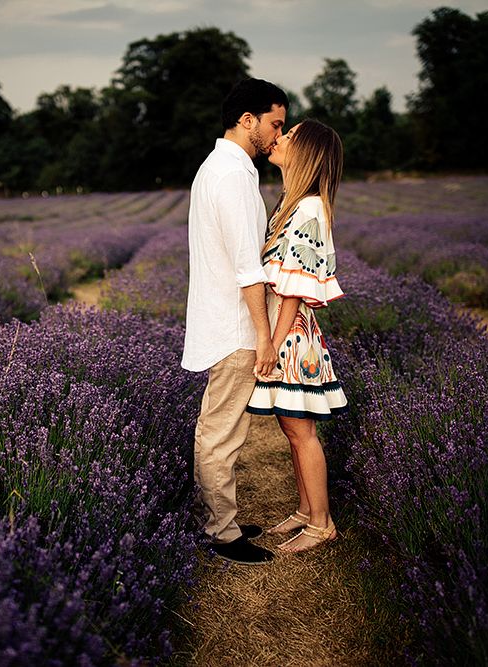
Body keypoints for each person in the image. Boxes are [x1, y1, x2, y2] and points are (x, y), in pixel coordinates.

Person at [182, 78, 288, 565]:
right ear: (248, 120)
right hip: (235, 325)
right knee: (220, 432)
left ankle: (221, 519)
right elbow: (250, 270)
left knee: (226, 430)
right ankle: (221, 533)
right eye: (275, 124)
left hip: (231, 321)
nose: (277, 134)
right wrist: (264, 339)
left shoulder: (227, 170)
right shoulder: (229, 176)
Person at [246, 118, 348, 552]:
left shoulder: (307, 208)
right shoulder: (292, 202)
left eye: (290, 135)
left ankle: (321, 522)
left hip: (293, 334)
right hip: (288, 331)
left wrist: (272, 341)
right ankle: (307, 510)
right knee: (292, 426)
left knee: (300, 429)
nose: (280, 138)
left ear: (305, 152)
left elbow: (295, 286)